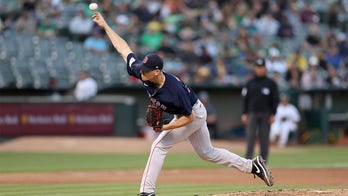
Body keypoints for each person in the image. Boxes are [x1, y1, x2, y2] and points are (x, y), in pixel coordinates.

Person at [92, 12, 274, 196]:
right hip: (191, 111)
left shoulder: (173, 91)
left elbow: (190, 118)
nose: (141, 72)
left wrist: (167, 126)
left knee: (158, 146)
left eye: (146, 70)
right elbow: (123, 49)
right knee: (207, 153)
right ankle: (252, 166)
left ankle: (146, 192)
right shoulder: (142, 71)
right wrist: (105, 25)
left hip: (192, 114)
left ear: (156, 72)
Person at [241, 58, 279, 161]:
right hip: (252, 113)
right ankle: (248, 162)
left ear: (265, 68)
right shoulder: (250, 83)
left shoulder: (271, 83)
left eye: (261, 67)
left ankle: (263, 162)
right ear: (255, 68)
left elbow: (275, 99)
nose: (260, 69)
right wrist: (244, 113)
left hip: (265, 114)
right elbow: (245, 99)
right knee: (250, 138)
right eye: (258, 67)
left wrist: (273, 114)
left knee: (264, 139)